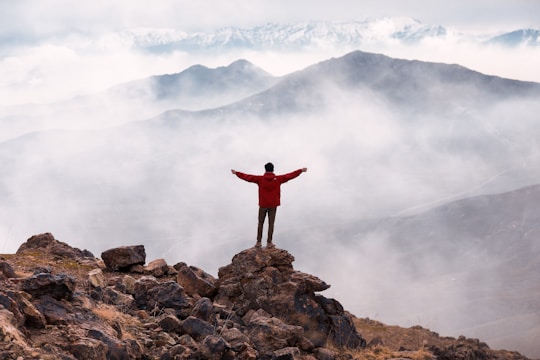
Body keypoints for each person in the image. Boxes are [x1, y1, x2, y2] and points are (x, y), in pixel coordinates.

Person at [231, 163, 307, 248]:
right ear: (273, 169)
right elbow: (289, 176)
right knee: (271, 224)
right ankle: (269, 242)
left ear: (265, 169)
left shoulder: (260, 179)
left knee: (260, 223)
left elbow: (247, 177)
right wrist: (300, 171)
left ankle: (258, 242)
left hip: (263, 204)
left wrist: (236, 173)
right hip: (273, 205)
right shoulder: (278, 179)